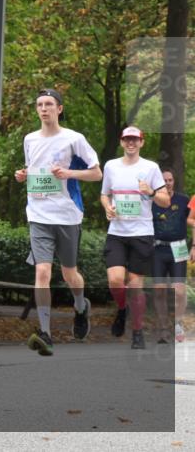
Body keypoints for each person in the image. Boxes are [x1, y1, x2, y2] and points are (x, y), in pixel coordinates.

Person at [14, 89, 101, 357]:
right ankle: (45, 333)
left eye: (49, 104)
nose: (44, 109)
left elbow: (97, 173)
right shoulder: (29, 139)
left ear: (59, 109)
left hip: (67, 214)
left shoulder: (74, 139)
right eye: (39, 104)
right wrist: (23, 175)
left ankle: (80, 306)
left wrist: (69, 173)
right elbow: (33, 170)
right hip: (38, 215)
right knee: (42, 273)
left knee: (69, 274)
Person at [101, 126, 169, 349]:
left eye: (135, 140)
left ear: (142, 142)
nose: (131, 143)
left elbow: (165, 201)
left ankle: (137, 331)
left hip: (142, 233)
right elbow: (104, 194)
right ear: (121, 142)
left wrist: (150, 191)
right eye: (127, 139)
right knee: (115, 280)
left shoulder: (151, 168)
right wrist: (107, 208)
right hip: (117, 232)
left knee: (135, 286)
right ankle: (122, 309)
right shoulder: (111, 166)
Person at [152, 169, 190, 343]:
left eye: (170, 180)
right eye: (163, 180)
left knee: (180, 291)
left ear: (173, 181)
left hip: (179, 248)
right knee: (159, 291)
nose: (167, 183)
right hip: (158, 249)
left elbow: (193, 221)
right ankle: (163, 329)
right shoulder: (152, 201)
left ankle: (178, 324)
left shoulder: (183, 200)